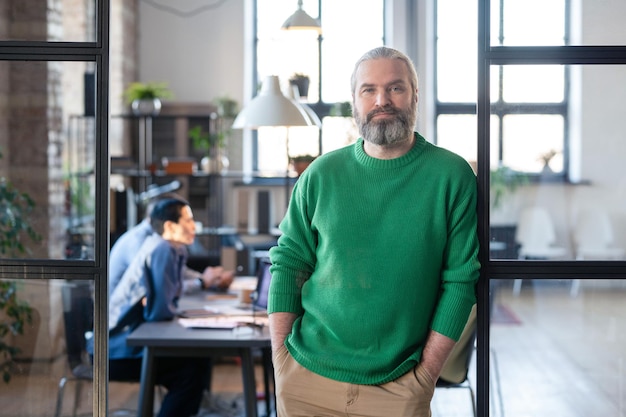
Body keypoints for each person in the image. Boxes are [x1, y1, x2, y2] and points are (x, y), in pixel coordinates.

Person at [268, 46, 480, 417]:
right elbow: (289, 265)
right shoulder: (320, 175)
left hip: (399, 387)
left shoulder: (452, 176)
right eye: (369, 90)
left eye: (395, 88)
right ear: (354, 100)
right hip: (305, 379)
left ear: (415, 94)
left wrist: (426, 376)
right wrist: (281, 363)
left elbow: (460, 282)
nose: (382, 100)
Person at [107, 197, 212, 417]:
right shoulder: (161, 249)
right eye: (189, 221)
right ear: (169, 226)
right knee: (191, 371)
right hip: (117, 350)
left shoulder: (171, 248)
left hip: (130, 341)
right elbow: (159, 312)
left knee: (199, 360)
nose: (195, 227)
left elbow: (166, 303)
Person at [109, 195, 235, 296]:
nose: (194, 227)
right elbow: (160, 289)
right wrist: (202, 282)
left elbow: (180, 274)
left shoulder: (163, 242)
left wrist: (212, 280)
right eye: (187, 220)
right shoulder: (143, 243)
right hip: (122, 323)